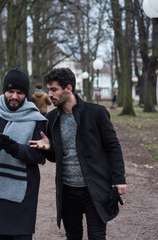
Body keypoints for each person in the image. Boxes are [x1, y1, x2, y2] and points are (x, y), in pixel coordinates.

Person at [29, 67, 127, 240]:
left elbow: (113, 146)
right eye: (49, 89)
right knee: (73, 236)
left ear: (68, 88)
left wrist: (119, 179)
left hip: (95, 189)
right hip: (67, 191)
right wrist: (49, 148)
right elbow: (54, 158)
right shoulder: (51, 119)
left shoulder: (96, 113)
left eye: (54, 89)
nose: (50, 94)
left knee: (97, 236)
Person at [0, 68, 47, 240]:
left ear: (26, 95)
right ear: (4, 91)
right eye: (10, 91)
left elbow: (39, 157)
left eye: (19, 92)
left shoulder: (37, 120)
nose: (14, 96)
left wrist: (16, 149)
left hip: (25, 191)